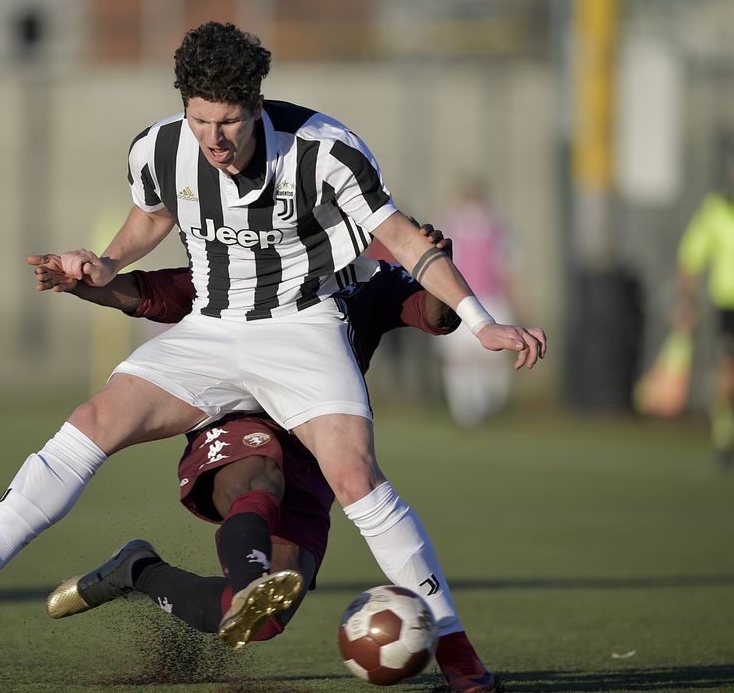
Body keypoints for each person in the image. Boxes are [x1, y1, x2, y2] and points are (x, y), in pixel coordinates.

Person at [0, 21, 544, 690]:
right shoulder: (160, 148)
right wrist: (102, 261)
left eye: (230, 122)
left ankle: (459, 659)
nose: (213, 139)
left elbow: (406, 242)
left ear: (258, 105)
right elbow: (151, 217)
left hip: (301, 329)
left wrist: (482, 322)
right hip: (213, 329)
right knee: (96, 419)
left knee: (356, 475)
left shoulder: (324, 150)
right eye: (199, 120)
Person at [30, 229, 506, 691]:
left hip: (318, 448)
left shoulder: (370, 278)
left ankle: (136, 571)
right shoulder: (243, 261)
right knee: (261, 475)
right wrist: (81, 285)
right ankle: (254, 583)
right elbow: (149, 292)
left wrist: (436, 269)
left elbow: (437, 316)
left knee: (265, 622)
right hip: (240, 420)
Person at [436, 176, 517, 425]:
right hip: (460, 297)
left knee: (491, 358)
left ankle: (482, 404)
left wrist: (513, 300)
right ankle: (467, 410)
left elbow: (508, 267)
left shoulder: (496, 227)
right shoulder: (447, 223)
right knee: (461, 357)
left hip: (489, 298)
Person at [673, 143, 734, 471]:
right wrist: (686, 302)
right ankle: (725, 436)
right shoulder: (716, 209)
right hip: (729, 303)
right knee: (728, 377)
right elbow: (691, 258)